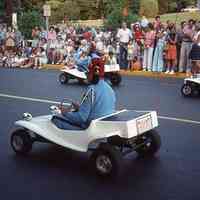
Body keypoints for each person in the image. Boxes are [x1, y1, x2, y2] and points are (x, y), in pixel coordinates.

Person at [51, 57, 116, 130]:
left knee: (55, 119)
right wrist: (80, 108)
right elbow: (99, 108)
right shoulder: (109, 88)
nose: (86, 75)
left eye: (87, 73)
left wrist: (64, 112)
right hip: (103, 124)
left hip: (91, 127)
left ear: (91, 74)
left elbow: (81, 118)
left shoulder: (91, 90)